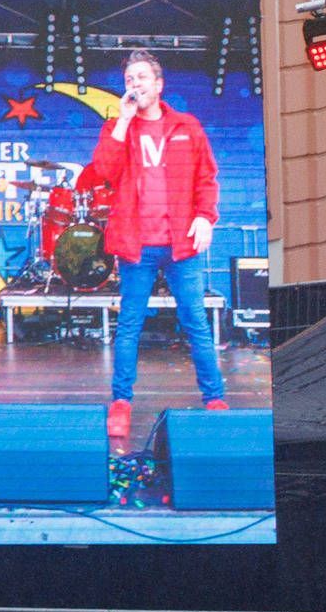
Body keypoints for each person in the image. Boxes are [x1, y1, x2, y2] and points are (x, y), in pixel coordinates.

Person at [75, 48, 224, 450]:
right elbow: (102, 171)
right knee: (129, 326)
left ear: (159, 85)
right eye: (129, 79)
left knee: (196, 322)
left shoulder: (187, 126)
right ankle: (121, 401)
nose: (135, 84)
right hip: (136, 244)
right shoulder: (117, 128)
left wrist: (205, 217)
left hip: (181, 244)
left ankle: (214, 398)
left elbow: (207, 178)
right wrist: (122, 121)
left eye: (142, 77)